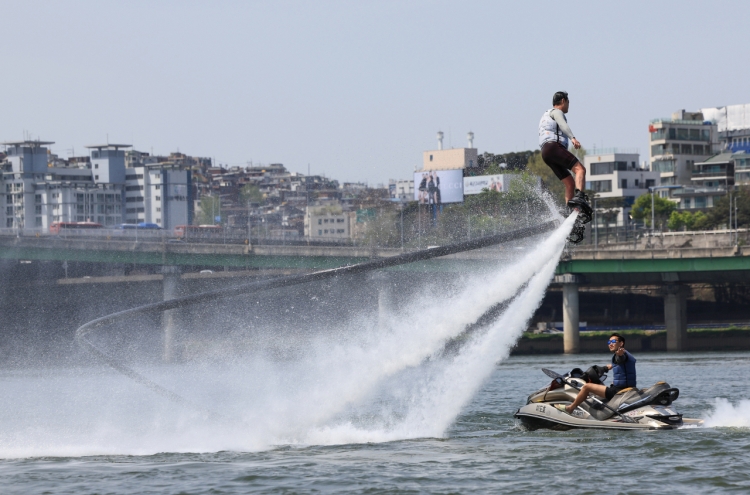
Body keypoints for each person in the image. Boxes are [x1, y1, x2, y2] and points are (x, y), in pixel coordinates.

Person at [538, 91, 591, 220]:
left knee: (569, 183)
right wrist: (573, 138)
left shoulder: (545, 115)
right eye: (568, 102)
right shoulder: (556, 112)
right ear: (563, 101)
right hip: (553, 147)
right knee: (580, 169)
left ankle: (569, 213)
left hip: (546, 152)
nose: (568, 105)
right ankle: (579, 198)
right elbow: (562, 124)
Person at [555, 333, 637, 414]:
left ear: (621, 343)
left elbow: (621, 359)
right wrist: (606, 367)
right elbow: (621, 364)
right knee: (605, 384)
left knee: (587, 387)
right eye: (609, 342)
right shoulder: (628, 355)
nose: (610, 344)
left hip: (618, 391)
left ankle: (571, 408)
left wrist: (620, 355)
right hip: (628, 388)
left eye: (613, 341)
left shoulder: (621, 355)